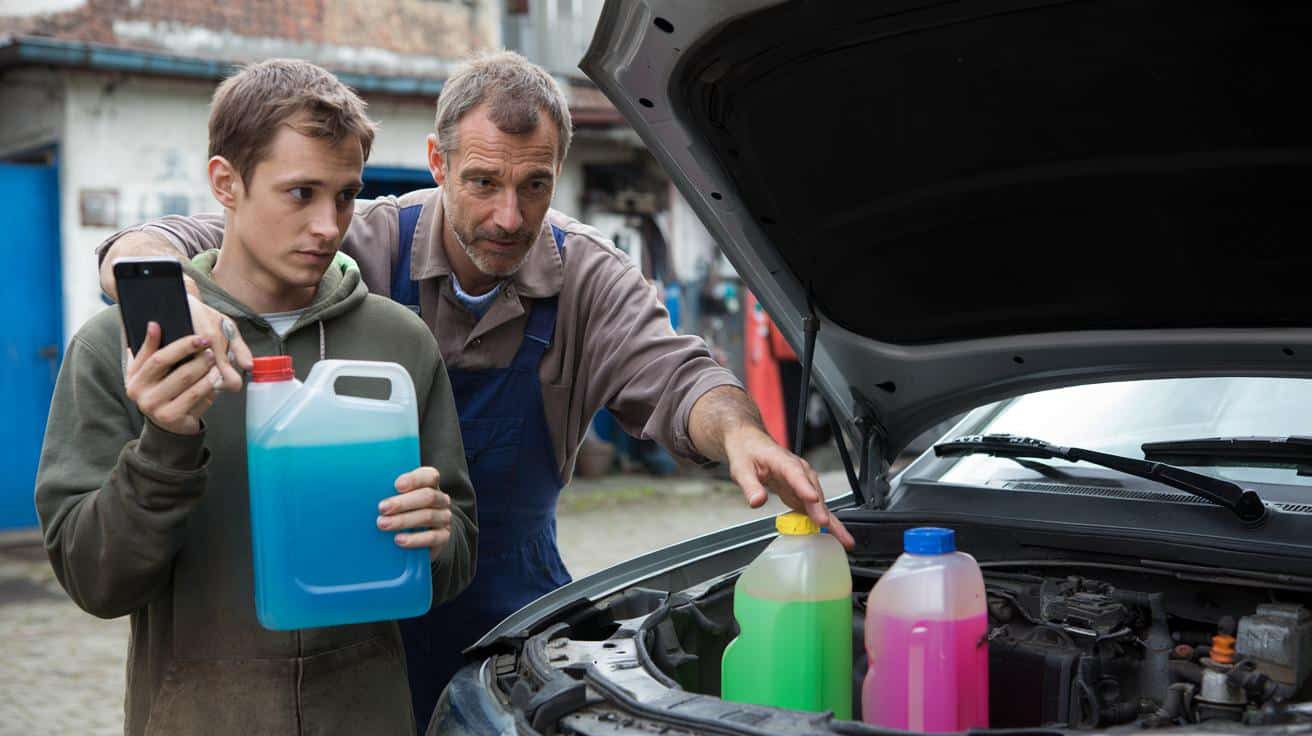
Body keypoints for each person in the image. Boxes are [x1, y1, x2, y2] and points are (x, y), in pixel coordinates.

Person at [96, 50, 854, 731]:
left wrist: (742, 434)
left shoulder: (587, 275)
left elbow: (680, 373)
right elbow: (186, 239)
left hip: (516, 615)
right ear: (436, 160)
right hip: (365, 620)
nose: (509, 216)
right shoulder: (362, 239)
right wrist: (156, 287)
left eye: (535, 185)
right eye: (484, 182)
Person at [40, 59, 476, 735]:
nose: (329, 225)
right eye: (300, 193)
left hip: (369, 716)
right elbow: (95, 582)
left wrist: (436, 536)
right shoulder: (123, 347)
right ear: (226, 183)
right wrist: (165, 441)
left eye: (345, 195)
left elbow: (455, 558)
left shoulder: (401, 343)